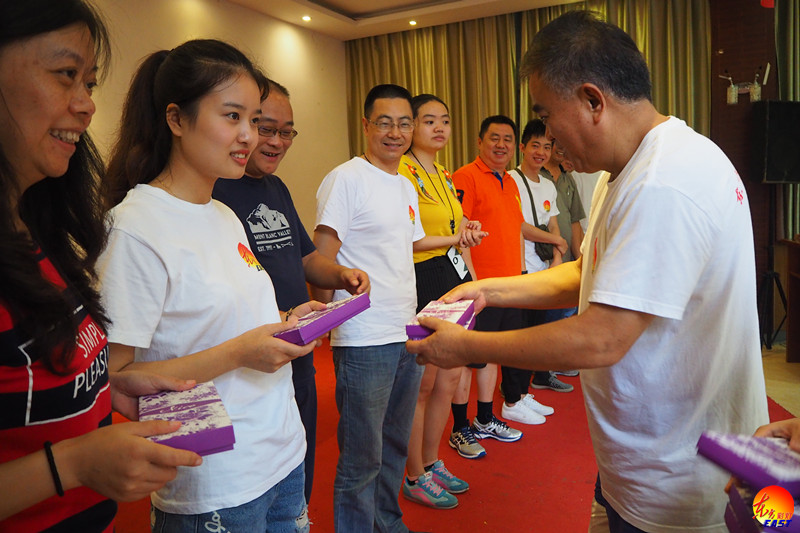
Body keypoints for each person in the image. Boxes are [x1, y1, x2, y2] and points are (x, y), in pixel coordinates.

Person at [409, 10, 769, 533]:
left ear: (592, 101)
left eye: (547, 115)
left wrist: (467, 347)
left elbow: (602, 338)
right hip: (636, 458)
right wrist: (488, 290)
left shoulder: (664, 182)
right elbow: (589, 273)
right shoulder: (622, 171)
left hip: (677, 480)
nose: (547, 136)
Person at [99, 40, 319, 532]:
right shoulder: (135, 228)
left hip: (283, 450)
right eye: (232, 116)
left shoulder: (223, 214)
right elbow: (114, 376)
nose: (249, 136)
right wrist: (241, 353)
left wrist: (286, 322)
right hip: (217, 475)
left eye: (254, 119)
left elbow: (226, 324)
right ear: (176, 119)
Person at [0, 1, 202, 530]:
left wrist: (104, 388)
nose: (87, 105)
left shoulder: (36, 230)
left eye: (89, 83)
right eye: (66, 75)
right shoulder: (136, 222)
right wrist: (71, 464)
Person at [212, 78, 369, 505]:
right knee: (254, 484)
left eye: (287, 132)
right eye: (266, 128)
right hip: (249, 363)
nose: (277, 142)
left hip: (297, 352)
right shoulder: (215, 191)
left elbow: (305, 258)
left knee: (298, 467)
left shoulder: (275, 188)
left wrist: (341, 274)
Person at [313, 84, 425, 532]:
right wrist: (319, 322)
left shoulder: (406, 185)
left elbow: (404, 250)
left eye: (404, 123)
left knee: (395, 444)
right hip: (363, 336)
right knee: (362, 457)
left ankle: (388, 524)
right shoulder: (346, 178)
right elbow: (322, 255)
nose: (395, 133)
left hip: (407, 331)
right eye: (385, 122)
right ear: (366, 125)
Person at [397, 94, 485, 509]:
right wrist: (456, 236)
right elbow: (410, 238)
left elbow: (457, 226)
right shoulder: (403, 170)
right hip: (423, 276)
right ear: (411, 125)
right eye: (429, 120)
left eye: (445, 121)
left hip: (453, 275)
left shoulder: (444, 173)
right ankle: (414, 474)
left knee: (448, 378)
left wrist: (474, 278)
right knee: (424, 383)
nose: (439, 128)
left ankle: (432, 462)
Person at [449, 115, 524, 457]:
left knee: (491, 353)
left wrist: (521, 274)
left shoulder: (510, 181)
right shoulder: (466, 176)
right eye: (494, 138)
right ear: (480, 141)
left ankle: (484, 418)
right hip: (481, 287)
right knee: (469, 359)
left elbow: (516, 230)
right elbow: (460, 234)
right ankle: (459, 427)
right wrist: (474, 282)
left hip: (509, 286)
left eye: (507, 139)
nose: (501, 145)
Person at [502, 118, 565, 425]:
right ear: (523, 148)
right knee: (518, 336)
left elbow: (553, 224)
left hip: (543, 268)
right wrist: (557, 241)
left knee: (535, 334)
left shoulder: (549, 184)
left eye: (547, 147)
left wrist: (557, 257)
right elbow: (520, 226)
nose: (541, 152)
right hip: (519, 268)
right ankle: (512, 398)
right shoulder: (510, 180)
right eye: (535, 145)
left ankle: (523, 393)